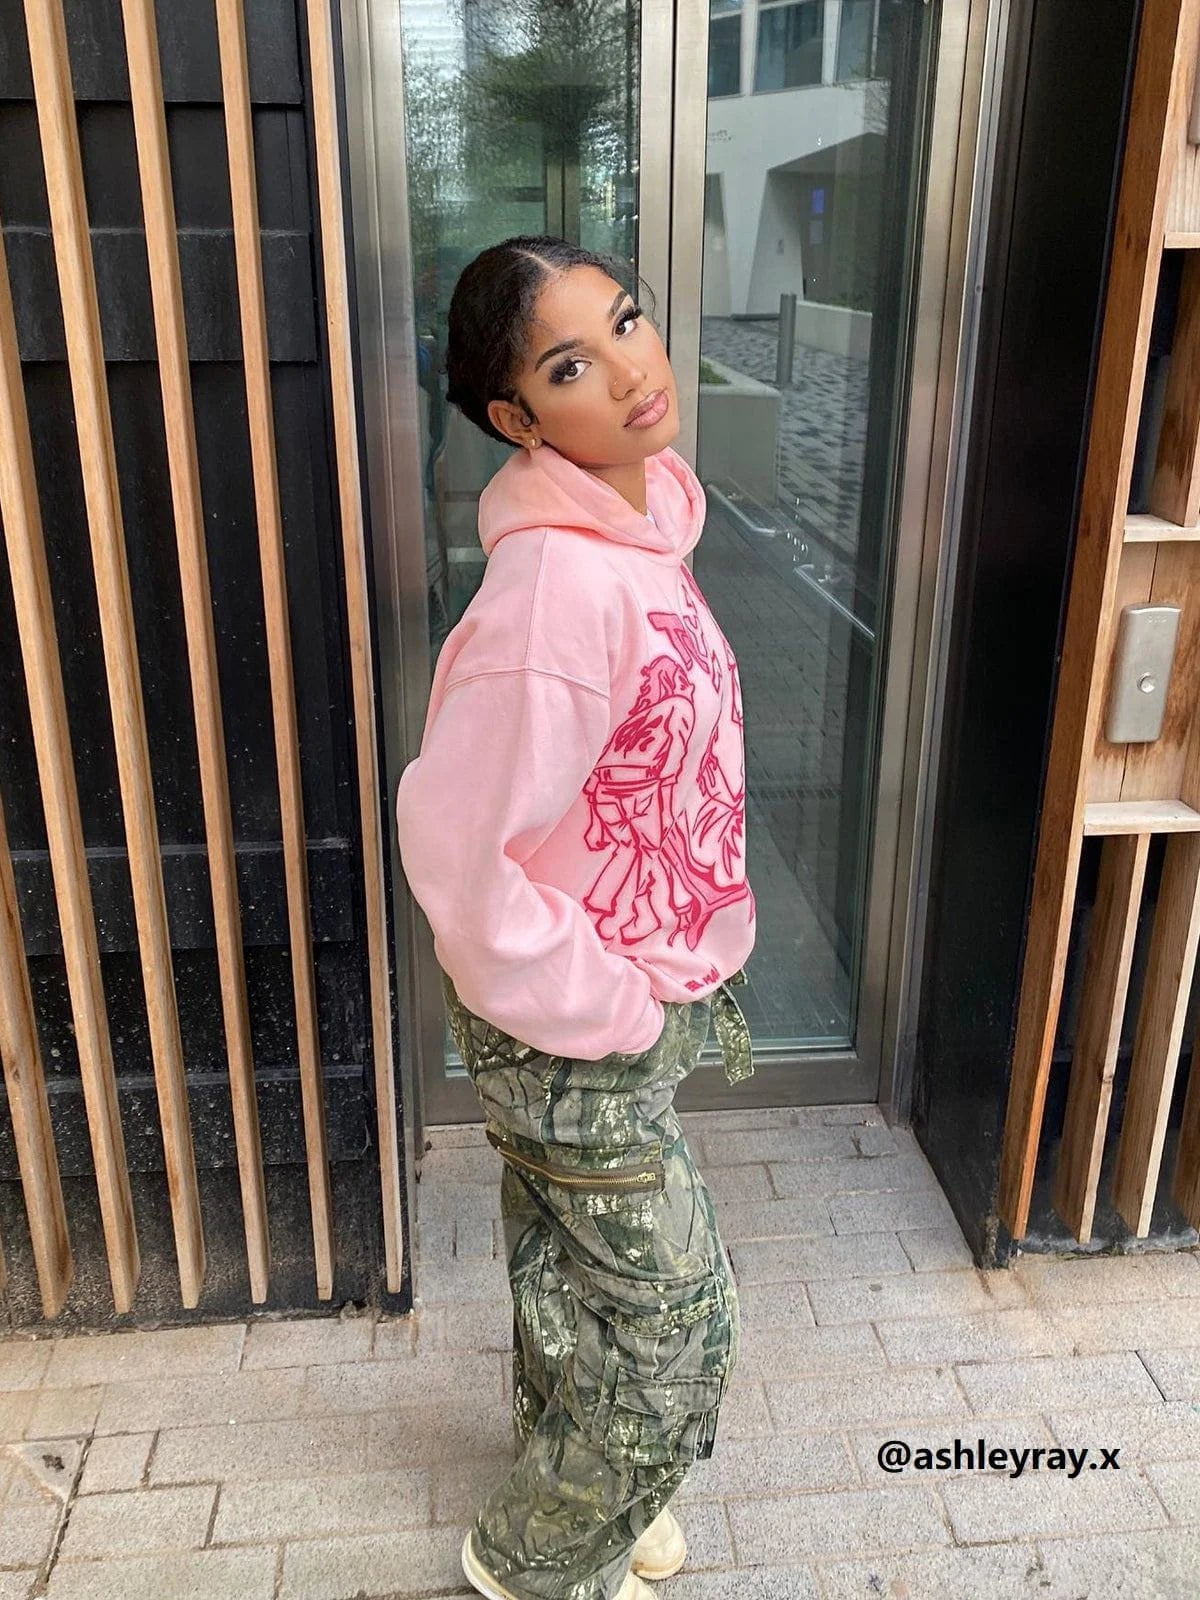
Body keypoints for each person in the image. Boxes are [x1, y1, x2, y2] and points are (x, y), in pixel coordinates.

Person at [394, 234, 758, 1600]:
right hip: (571, 1024)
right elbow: (459, 853)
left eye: (627, 321)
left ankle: (590, 1490)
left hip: (616, 996)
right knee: (677, 1327)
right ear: (516, 418)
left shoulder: (645, 526)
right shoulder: (556, 590)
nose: (629, 369)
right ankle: (536, 1560)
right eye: (568, 365)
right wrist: (612, 1006)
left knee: (573, 1274)